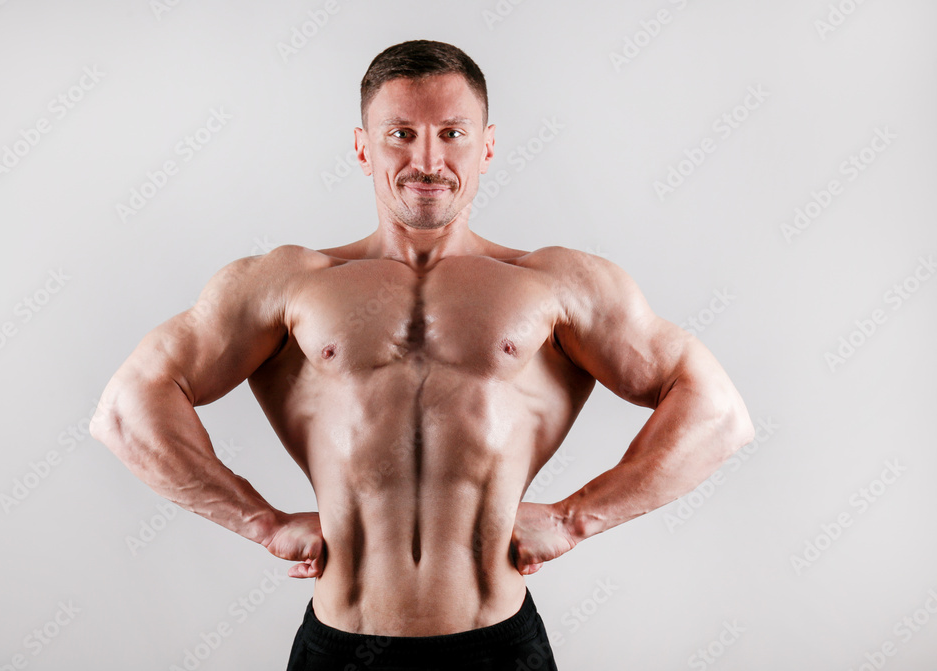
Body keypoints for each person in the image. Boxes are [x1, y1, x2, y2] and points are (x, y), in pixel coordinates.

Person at [90, 39, 755, 670]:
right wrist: (259, 521)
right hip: (341, 645)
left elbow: (715, 411)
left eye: (453, 133)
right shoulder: (292, 282)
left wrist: (578, 518)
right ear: (362, 147)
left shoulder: (554, 285)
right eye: (400, 133)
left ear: (488, 147)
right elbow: (128, 406)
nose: (429, 160)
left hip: (499, 645)